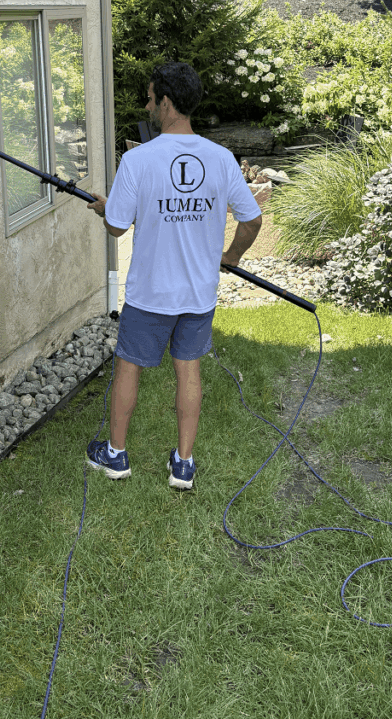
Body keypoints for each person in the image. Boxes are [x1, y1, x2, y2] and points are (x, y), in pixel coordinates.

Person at [86, 61, 262, 489]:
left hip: (149, 294)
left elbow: (116, 225)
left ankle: (116, 456)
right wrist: (231, 257)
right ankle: (183, 464)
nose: (147, 105)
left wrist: (102, 208)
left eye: (149, 98)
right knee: (189, 370)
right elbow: (252, 219)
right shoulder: (221, 159)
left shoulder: (138, 159)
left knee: (129, 367)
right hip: (198, 295)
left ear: (166, 102)